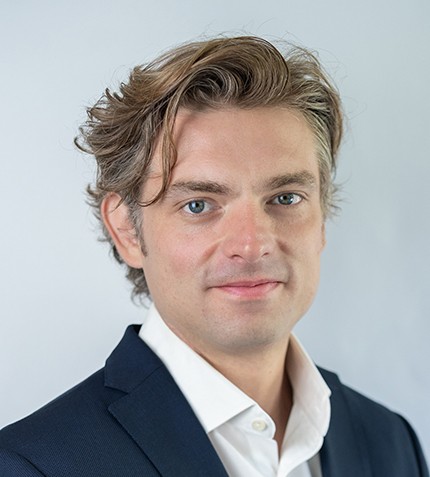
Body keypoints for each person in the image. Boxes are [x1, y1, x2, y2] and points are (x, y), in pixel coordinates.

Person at [0, 35, 427, 477]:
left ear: (322, 218)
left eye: (285, 197)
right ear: (127, 230)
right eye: (199, 204)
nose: (252, 243)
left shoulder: (391, 442)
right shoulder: (34, 465)